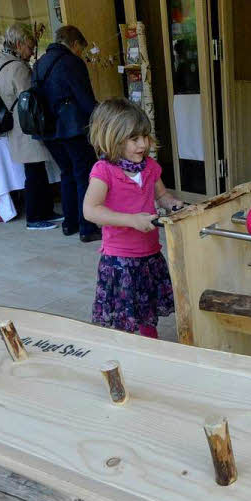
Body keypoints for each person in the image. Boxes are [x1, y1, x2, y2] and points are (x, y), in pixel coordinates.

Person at [83, 98, 183, 337]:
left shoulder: (150, 167)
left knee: (147, 311)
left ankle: (151, 345)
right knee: (124, 318)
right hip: (120, 260)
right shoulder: (103, 171)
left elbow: (162, 196)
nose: (143, 144)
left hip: (149, 255)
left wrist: (173, 204)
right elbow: (91, 210)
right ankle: (127, 353)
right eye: (134, 139)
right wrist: (132, 220)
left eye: (145, 137)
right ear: (113, 138)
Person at [37, 25, 100, 242]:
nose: (80, 53)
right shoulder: (72, 62)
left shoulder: (40, 63)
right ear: (74, 44)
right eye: (81, 49)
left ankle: (69, 223)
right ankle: (87, 227)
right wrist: (100, 118)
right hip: (73, 129)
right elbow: (84, 98)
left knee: (67, 174)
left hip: (49, 131)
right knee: (84, 175)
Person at [0, 24, 60, 230]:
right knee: (35, 173)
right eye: (30, 47)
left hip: (17, 126)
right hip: (27, 127)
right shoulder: (18, 68)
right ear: (19, 44)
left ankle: (45, 211)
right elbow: (30, 97)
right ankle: (35, 217)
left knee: (35, 170)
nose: (31, 52)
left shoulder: (1, 64)